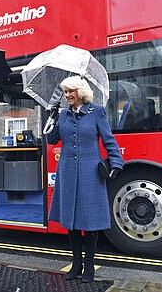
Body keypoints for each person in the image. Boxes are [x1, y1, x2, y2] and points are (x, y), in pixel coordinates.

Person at [46, 75, 124, 283]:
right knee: (71, 222)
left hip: (90, 172)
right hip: (68, 171)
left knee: (90, 221)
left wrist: (116, 163)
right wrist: (52, 117)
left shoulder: (96, 112)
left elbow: (109, 140)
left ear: (81, 93)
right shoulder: (63, 115)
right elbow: (51, 140)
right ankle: (76, 264)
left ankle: (89, 266)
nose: (67, 95)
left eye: (71, 91)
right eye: (65, 92)